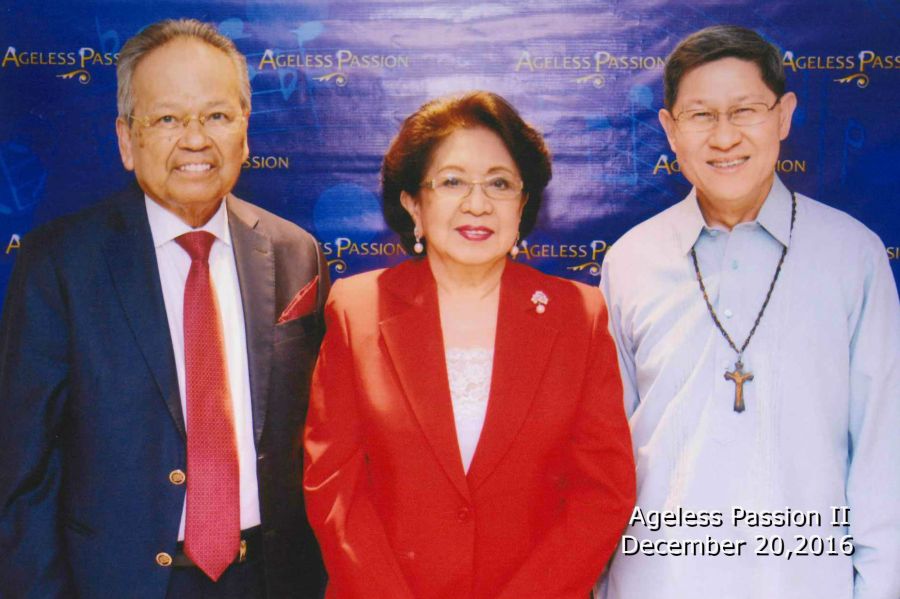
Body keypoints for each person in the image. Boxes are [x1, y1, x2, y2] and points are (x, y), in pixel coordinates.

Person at [0, 19, 327, 599]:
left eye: (217, 116)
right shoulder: (59, 264)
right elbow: (22, 472)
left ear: (245, 131)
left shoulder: (294, 253)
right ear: (127, 140)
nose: (195, 139)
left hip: (268, 578)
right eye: (168, 119)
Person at [599, 25, 900, 599]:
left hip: (806, 581)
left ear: (784, 116)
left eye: (745, 110)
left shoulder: (852, 254)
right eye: (701, 115)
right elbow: (604, 453)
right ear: (670, 129)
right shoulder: (631, 260)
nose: (724, 136)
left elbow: (885, 448)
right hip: (660, 581)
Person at [303, 91, 635, 599]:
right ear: (413, 203)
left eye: (499, 183)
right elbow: (334, 489)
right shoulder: (357, 309)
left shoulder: (578, 315)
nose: (477, 204)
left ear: (523, 204)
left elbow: (602, 494)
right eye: (452, 181)